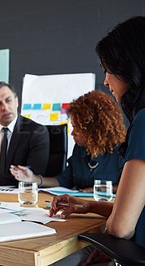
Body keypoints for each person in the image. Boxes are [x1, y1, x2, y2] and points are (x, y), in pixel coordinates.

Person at [48, 16, 145, 264]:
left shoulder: (143, 121)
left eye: (108, 70)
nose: (105, 80)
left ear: (130, 67)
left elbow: (121, 227)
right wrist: (87, 205)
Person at [11, 90, 126, 192]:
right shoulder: (80, 148)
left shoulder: (122, 151)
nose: (72, 133)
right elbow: (64, 180)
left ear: (94, 130)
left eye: (77, 129)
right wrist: (33, 179)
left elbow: (131, 187)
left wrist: (99, 189)